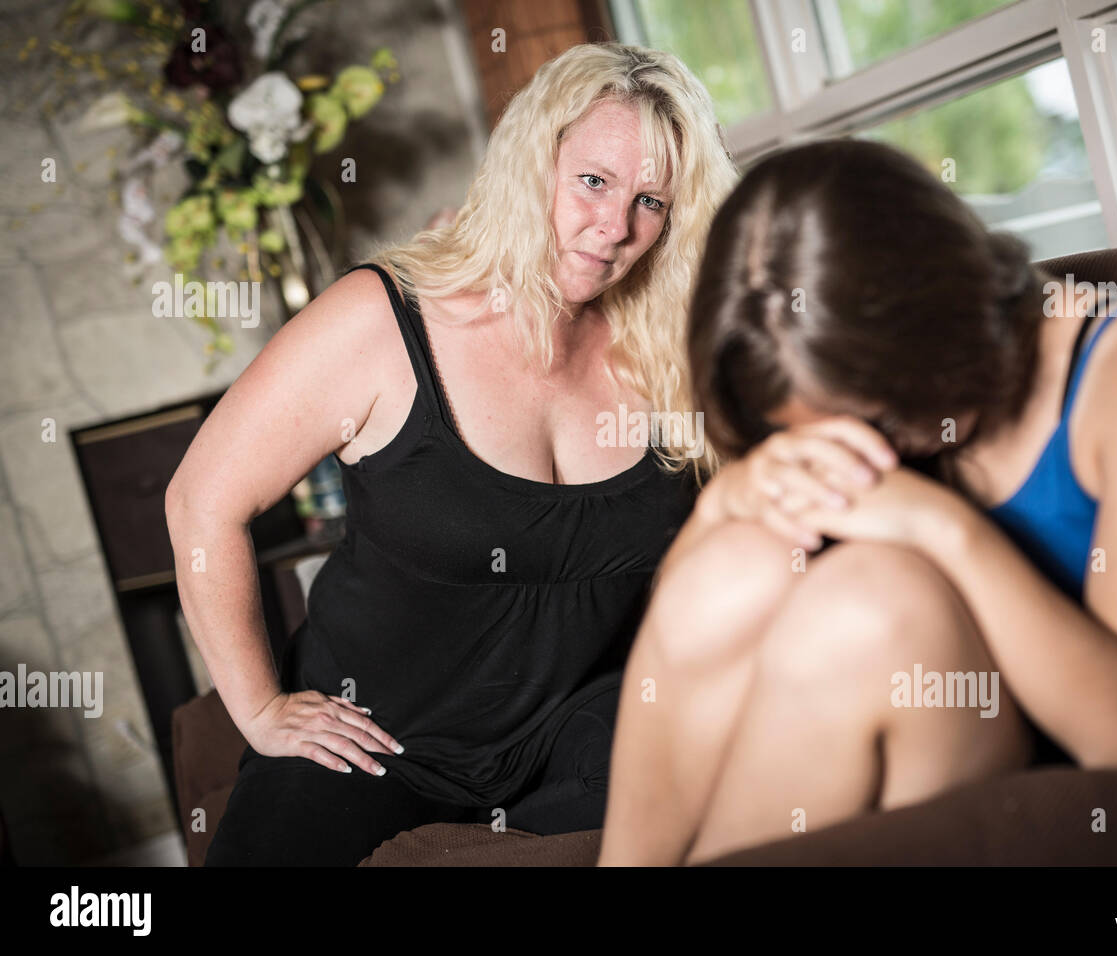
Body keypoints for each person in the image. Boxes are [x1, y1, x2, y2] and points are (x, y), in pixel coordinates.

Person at [165, 42, 737, 866]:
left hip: (584, 725)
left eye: (652, 199)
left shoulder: (671, 350)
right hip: (375, 738)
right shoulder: (384, 319)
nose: (614, 226)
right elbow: (201, 504)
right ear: (531, 161)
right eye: (593, 181)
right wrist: (258, 709)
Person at [596, 138, 1117, 866]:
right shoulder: (824, 353)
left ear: (933, 333)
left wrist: (939, 524)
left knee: (873, 599)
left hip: (1030, 760)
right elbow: (689, 634)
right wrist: (722, 507)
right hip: (883, 734)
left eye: (876, 423)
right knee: (740, 558)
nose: (868, 450)